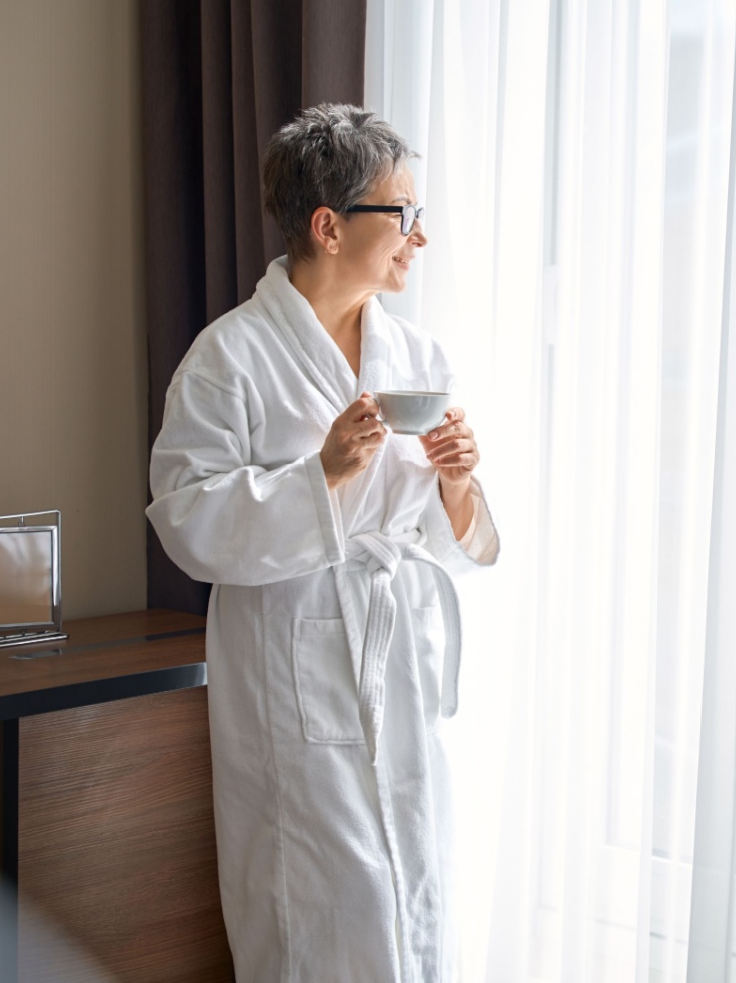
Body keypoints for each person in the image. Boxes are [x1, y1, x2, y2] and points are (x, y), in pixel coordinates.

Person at [147, 104, 498, 982]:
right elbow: (187, 520)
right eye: (403, 214)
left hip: (398, 667)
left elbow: (438, 534)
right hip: (291, 676)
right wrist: (324, 475)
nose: (421, 236)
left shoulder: (415, 354)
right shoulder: (229, 359)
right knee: (318, 910)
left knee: (413, 892)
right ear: (329, 225)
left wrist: (457, 482)